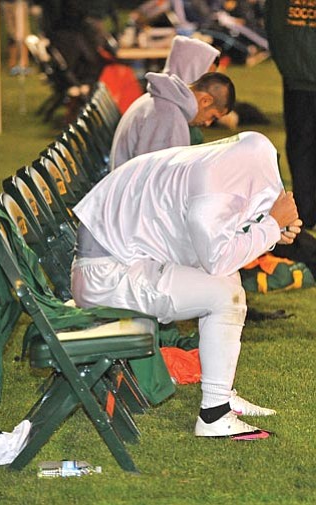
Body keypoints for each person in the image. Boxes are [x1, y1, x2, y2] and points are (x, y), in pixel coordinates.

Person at [71, 131, 302, 438]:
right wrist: (271, 225)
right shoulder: (212, 187)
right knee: (225, 293)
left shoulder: (213, 167)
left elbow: (218, 244)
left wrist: (270, 227)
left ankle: (221, 394)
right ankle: (214, 415)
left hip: (115, 260)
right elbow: (217, 258)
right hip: (104, 274)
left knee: (226, 281)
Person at [109, 71, 235, 170]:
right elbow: (157, 180)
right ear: (206, 101)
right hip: (128, 197)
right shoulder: (169, 114)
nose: (208, 123)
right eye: (212, 116)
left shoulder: (163, 100)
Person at [264, 1, 316, 229]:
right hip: (297, 76)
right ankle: (305, 209)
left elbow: (275, 29)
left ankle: (306, 211)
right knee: (301, 146)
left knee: (301, 145)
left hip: (296, 76)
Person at [1, 0, 31, 75]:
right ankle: (14, 65)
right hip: (10, 3)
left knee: (23, 34)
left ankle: (23, 64)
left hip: (19, 3)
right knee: (13, 35)